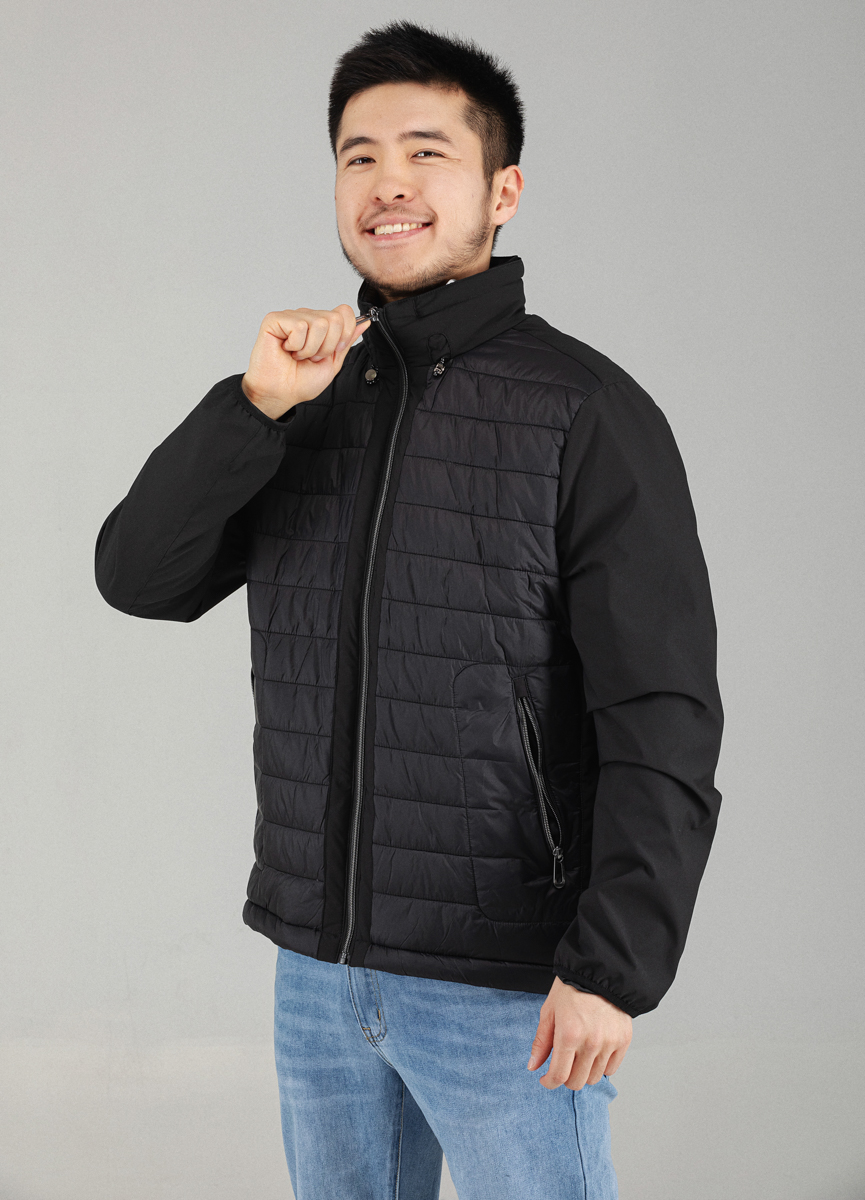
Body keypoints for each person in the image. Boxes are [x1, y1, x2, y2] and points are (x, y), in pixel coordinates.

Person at [94, 20, 723, 1200]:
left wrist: (613, 966)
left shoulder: (584, 411)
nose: (388, 182)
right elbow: (140, 576)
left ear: (503, 191)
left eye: (427, 153)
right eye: (360, 156)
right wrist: (252, 408)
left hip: (505, 985)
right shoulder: (299, 400)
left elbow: (663, 715)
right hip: (318, 973)